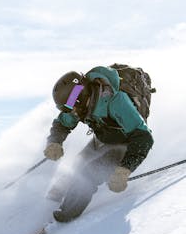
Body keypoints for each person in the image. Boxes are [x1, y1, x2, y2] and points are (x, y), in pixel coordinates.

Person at [43, 66, 154, 222]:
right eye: (67, 108)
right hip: (105, 136)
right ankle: (50, 201)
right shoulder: (79, 102)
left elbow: (144, 137)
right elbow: (62, 123)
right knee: (76, 165)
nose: (70, 111)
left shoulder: (116, 101)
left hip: (127, 142)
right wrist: (54, 142)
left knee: (90, 172)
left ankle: (66, 214)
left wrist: (125, 169)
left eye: (70, 107)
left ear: (80, 99)